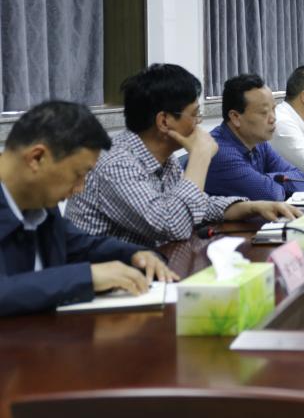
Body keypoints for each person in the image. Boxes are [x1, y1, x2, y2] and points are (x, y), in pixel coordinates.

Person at [67, 65, 299, 247]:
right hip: (102, 283)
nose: (199, 123)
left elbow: (198, 205)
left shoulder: (165, 159)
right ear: (164, 121)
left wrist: (252, 207)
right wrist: (200, 156)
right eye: (195, 115)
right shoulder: (116, 163)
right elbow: (172, 224)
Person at [0, 101, 178, 317]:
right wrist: (87, 277)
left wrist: (136, 255)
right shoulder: (40, 197)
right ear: (37, 158)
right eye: (78, 174)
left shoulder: (40, 204)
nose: (80, 188)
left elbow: (80, 244)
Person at [200, 74, 304, 202]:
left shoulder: (258, 142)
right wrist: (269, 181)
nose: (273, 118)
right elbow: (272, 195)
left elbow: (301, 180)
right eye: (264, 112)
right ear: (235, 117)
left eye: (273, 109)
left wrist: (264, 178)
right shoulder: (219, 152)